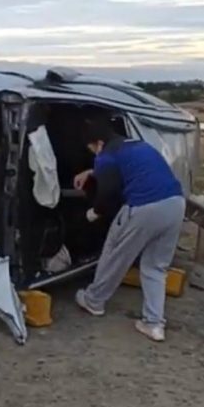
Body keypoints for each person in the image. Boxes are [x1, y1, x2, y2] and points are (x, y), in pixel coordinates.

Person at [74, 115, 186, 342]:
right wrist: (91, 172)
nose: (94, 155)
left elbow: (108, 193)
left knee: (115, 252)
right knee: (155, 267)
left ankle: (94, 301)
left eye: (92, 149)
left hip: (144, 207)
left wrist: (93, 213)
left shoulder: (105, 156)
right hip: (175, 204)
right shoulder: (137, 145)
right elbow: (129, 169)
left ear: (99, 143)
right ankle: (154, 324)